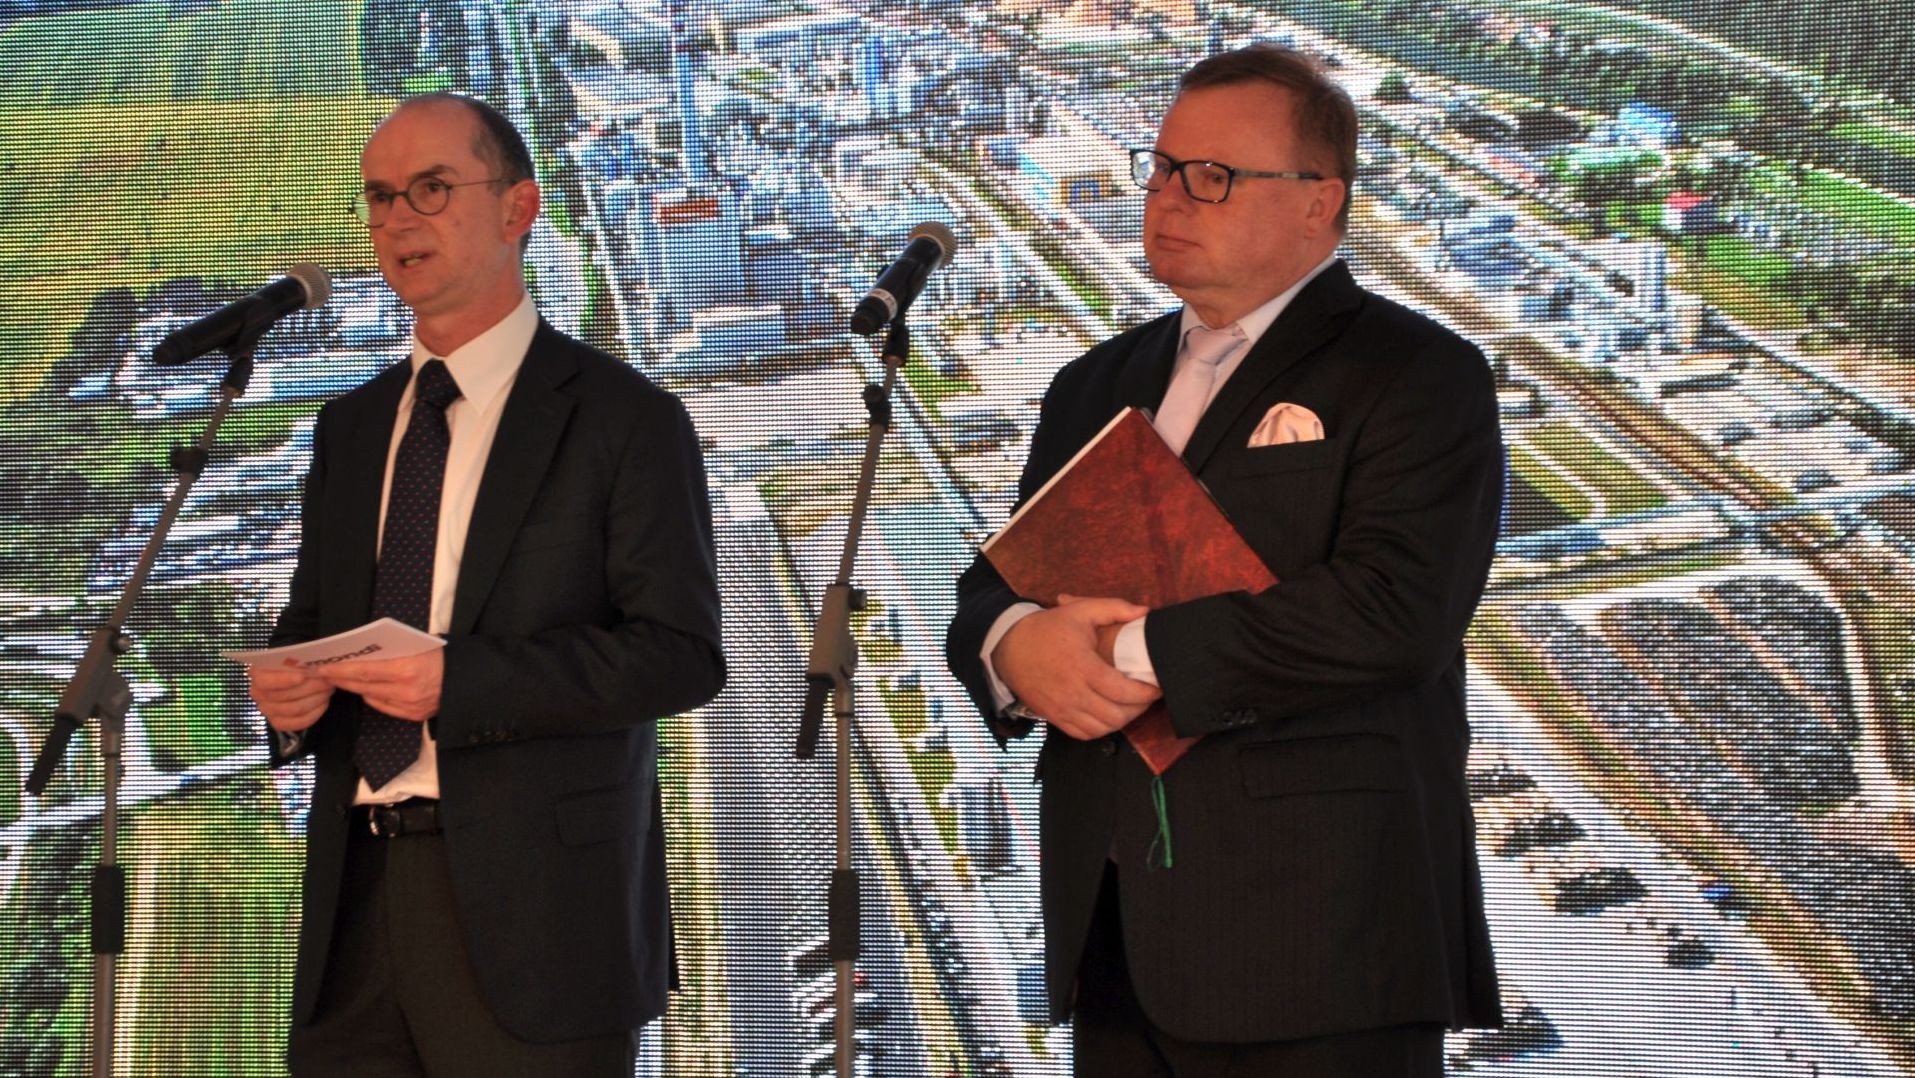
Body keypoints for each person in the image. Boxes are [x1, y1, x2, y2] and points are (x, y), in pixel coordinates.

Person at [946, 46, 1504, 1075]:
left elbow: (1394, 611)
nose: (1167, 197)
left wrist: (1124, 652)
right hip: (1112, 933)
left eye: (1212, 175)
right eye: (1161, 167)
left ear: (1318, 201)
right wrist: (1014, 644)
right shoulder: (1092, 381)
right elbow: (998, 579)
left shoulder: (1418, 374)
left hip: (1320, 941)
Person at [249, 93, 724, 1076]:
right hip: (355, 910)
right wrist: (290, 698)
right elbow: (313, 623)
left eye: (431, 189)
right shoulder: (350, 427)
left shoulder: (624, 419)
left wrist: (457, 683)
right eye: (380, 197)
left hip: (542, 923)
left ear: (519, 208)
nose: (397, 220)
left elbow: (679, 654)